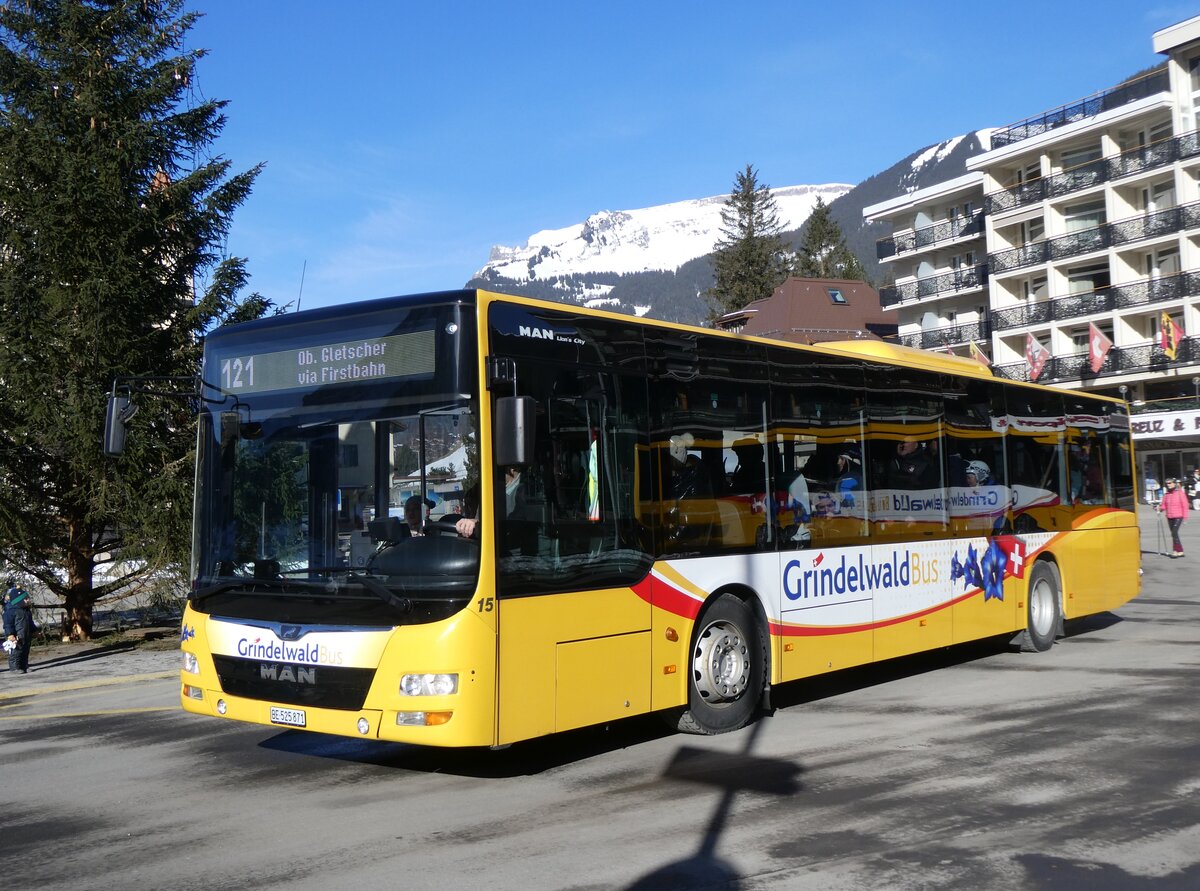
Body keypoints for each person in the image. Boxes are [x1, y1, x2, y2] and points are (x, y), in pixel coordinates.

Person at [3, 586, 34, 674]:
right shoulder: (10, 611)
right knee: (15, 651)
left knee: (25, 650)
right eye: (26, 599)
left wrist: (34, 630)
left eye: (28, 598)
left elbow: (30, 622)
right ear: (18, 601)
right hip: (15, 636)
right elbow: (8, 624)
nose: (28, 600)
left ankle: (24, 665)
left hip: (25, 634)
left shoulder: (26, 611)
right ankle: (14, 667)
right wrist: (10, 634)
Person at [1158, 477, 1188, 558]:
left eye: (1170, 483)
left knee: (1174, 532)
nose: (1168, 485)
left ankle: (1175, 550)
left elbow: (1185, 506)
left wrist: (1185, 518)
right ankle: (1180, 551)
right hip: (1169, 516)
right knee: (1174, 534)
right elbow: (1163, 506)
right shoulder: (1166, 494)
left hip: (1178, 516)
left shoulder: (1180, 493)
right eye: (1167, 483)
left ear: (1174, 483)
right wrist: (1159, 509)